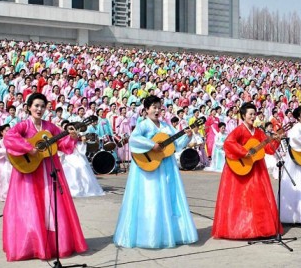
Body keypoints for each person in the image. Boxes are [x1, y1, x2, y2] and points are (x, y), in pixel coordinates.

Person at [2, 93, 87, 261]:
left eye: (42, 106)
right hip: (29, 172)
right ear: (28, 107)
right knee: (31, 207)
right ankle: (32, 245)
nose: (39, 109)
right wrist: (28, 147)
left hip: (49, 170)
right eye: (36, 106)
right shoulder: (23, 125)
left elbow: (61, 144)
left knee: (53, 206)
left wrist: (72, 138)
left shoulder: (50, 127)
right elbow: (9, 138)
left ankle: (56, 244)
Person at [113, 95, 198, 248]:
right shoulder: (144, 124)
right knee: (151, 197)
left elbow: (176, 144)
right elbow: (134, 139)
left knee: (168, 197)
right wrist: (151, 145)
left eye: (159, 107)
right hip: (150, 167)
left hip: (166, 166)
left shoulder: (166, 126)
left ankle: (170, 233)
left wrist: (187, 136)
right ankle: (149, 236)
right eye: (154, 107)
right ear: (146, 110)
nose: (157, 110)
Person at [212, 102, 281, 239]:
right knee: (241, 199)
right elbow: (229, 143)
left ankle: (259, 228)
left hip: (256, 168)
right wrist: (244, 152)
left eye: (254, 114)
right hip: (241, 167)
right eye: (250, 114)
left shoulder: (259, 131)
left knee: (258, 199)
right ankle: (242, 229)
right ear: (243, 115)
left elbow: (267, 149)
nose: (253, 116)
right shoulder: (239, 129)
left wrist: (276, 140)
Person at [61, 122, 105, 197]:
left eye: (72, 129)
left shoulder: (79, 137)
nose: (71, 131)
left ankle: (83, 188)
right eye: (69, 129)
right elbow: (61, 150)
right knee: (71, 169)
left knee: (82, 166)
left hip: (77, 155)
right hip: (67, 157)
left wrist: (83, 141)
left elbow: (81, 151)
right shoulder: (63, 138)